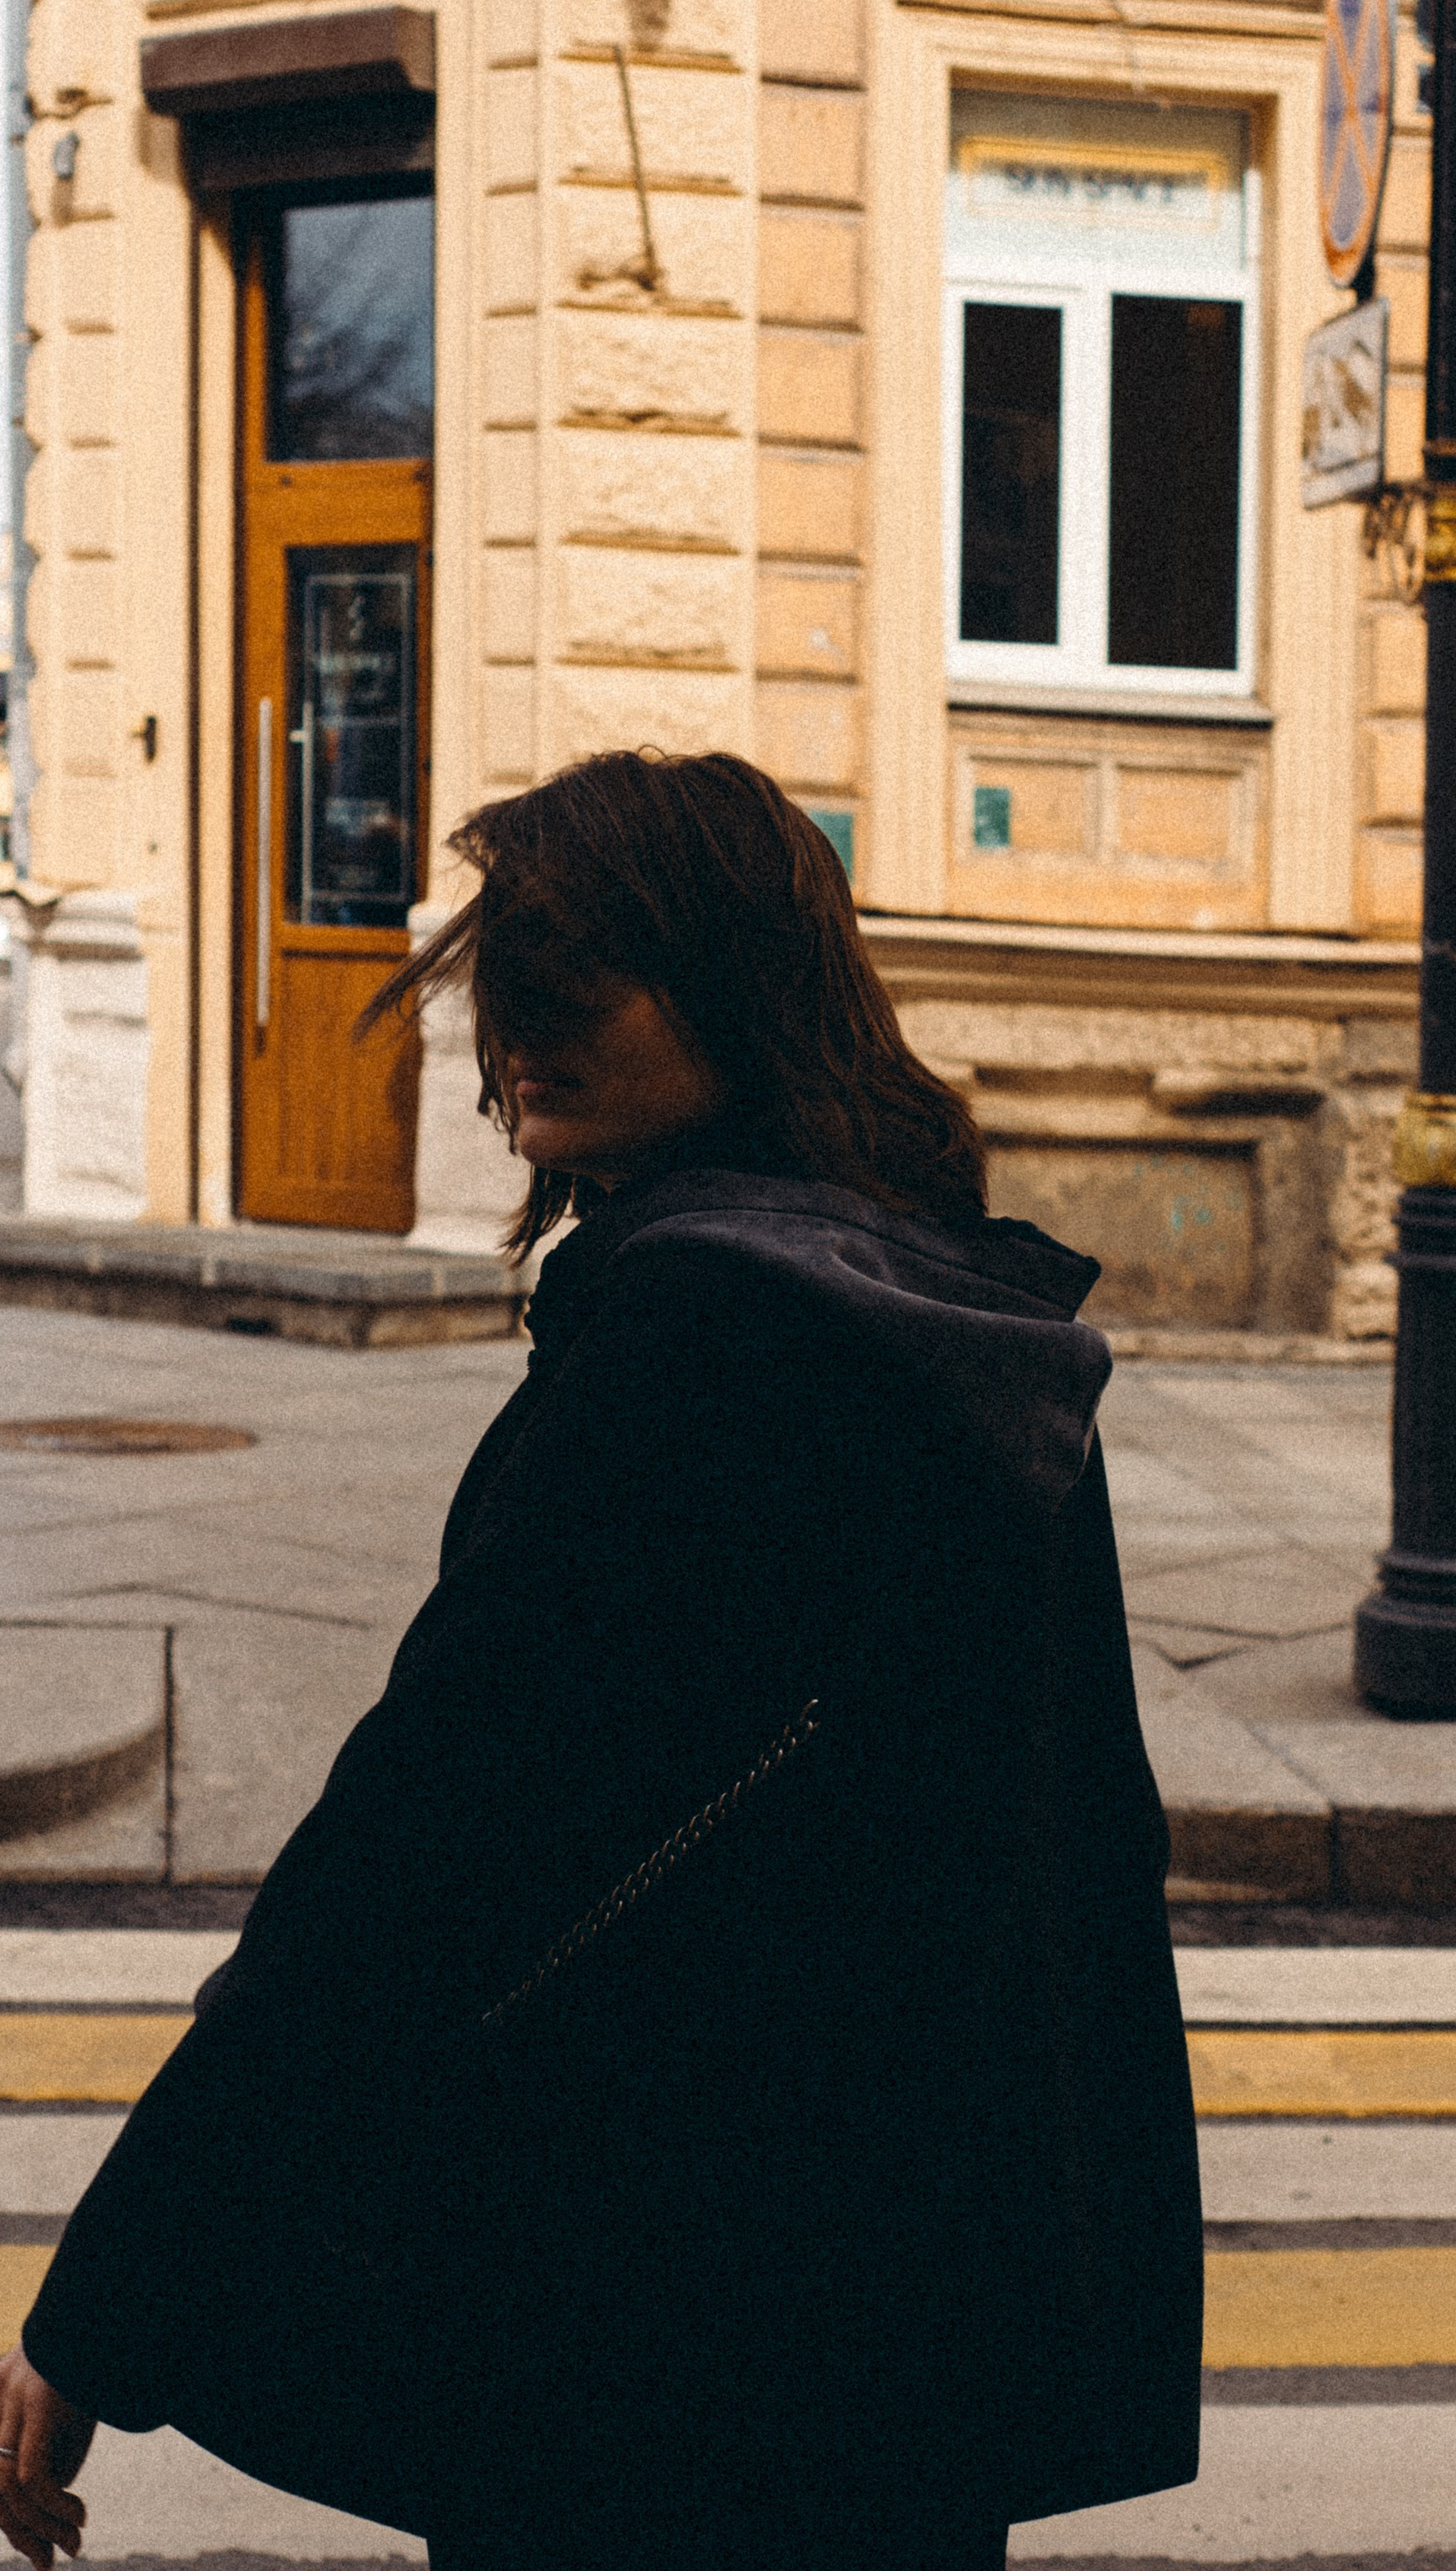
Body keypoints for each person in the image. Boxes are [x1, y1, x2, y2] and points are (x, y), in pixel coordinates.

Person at [0, 749, 1202, 2571]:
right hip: (894, 2302)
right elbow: (1065, 1850)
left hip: (654, 2318)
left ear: (728, 988)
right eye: (507, 981)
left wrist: (109, 2301)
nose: (519, 1035)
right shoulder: (938, 1306)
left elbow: (413, 1856)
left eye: (579, 982)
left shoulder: (694, 1341)